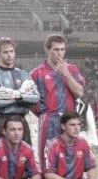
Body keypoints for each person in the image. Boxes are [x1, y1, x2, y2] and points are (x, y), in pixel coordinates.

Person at [31, 34, 85, 164]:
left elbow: (79, 92)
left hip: (69, 118)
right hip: (49, 118)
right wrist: (43, 114)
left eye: (62, 49)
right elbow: (31, 102)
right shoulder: (37, 73)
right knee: (47, 156)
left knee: (69, 155)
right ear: (47, 50)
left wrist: (66, 74)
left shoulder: (72, 69)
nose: (60, 53)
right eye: (56, 49)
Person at [0, 37, 39, 148]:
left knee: (24, 157)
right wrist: (22, 95)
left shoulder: (24, 74)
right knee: (0, 157)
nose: (9, 55)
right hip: (2, 119)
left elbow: (35, 97)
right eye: (5, 52)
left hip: (22, 120)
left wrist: (10, 94)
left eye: (11, 51)